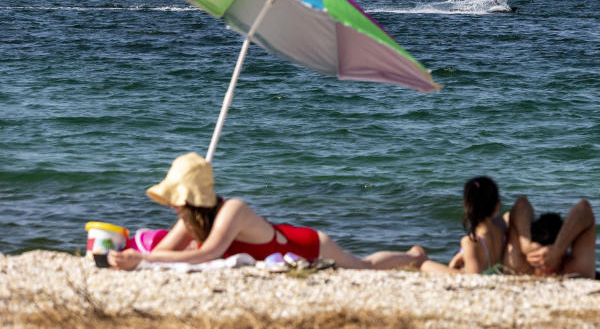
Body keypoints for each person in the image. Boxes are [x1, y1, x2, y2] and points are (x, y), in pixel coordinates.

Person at [108, 153, 426, 271]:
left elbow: (209, 253)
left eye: (177, 199)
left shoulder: (233, 209)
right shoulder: (192, 219)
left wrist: (145, 258)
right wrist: (134, 259)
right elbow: (163, 252)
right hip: (277, 244)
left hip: (304, 244)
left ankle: (414, 256)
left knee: (363, 265)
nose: (173, 205)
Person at [417, 176, 507, 275]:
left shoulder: (470, 241)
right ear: (497, 206)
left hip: (478, 276)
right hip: (494, 272)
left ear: (465, 206)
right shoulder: (502, 231)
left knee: (424, 264)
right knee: (418, 251)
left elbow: (473, 277)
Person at [505, 195, 597, 279]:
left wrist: (558, 249)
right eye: (537, 259)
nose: (545, 265)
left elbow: (584, 208)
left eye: (548, 259)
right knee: (507, 217)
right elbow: (521, 203)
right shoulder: (520, 264)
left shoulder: (517, 266)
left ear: (563, 255)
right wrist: (526, 245)